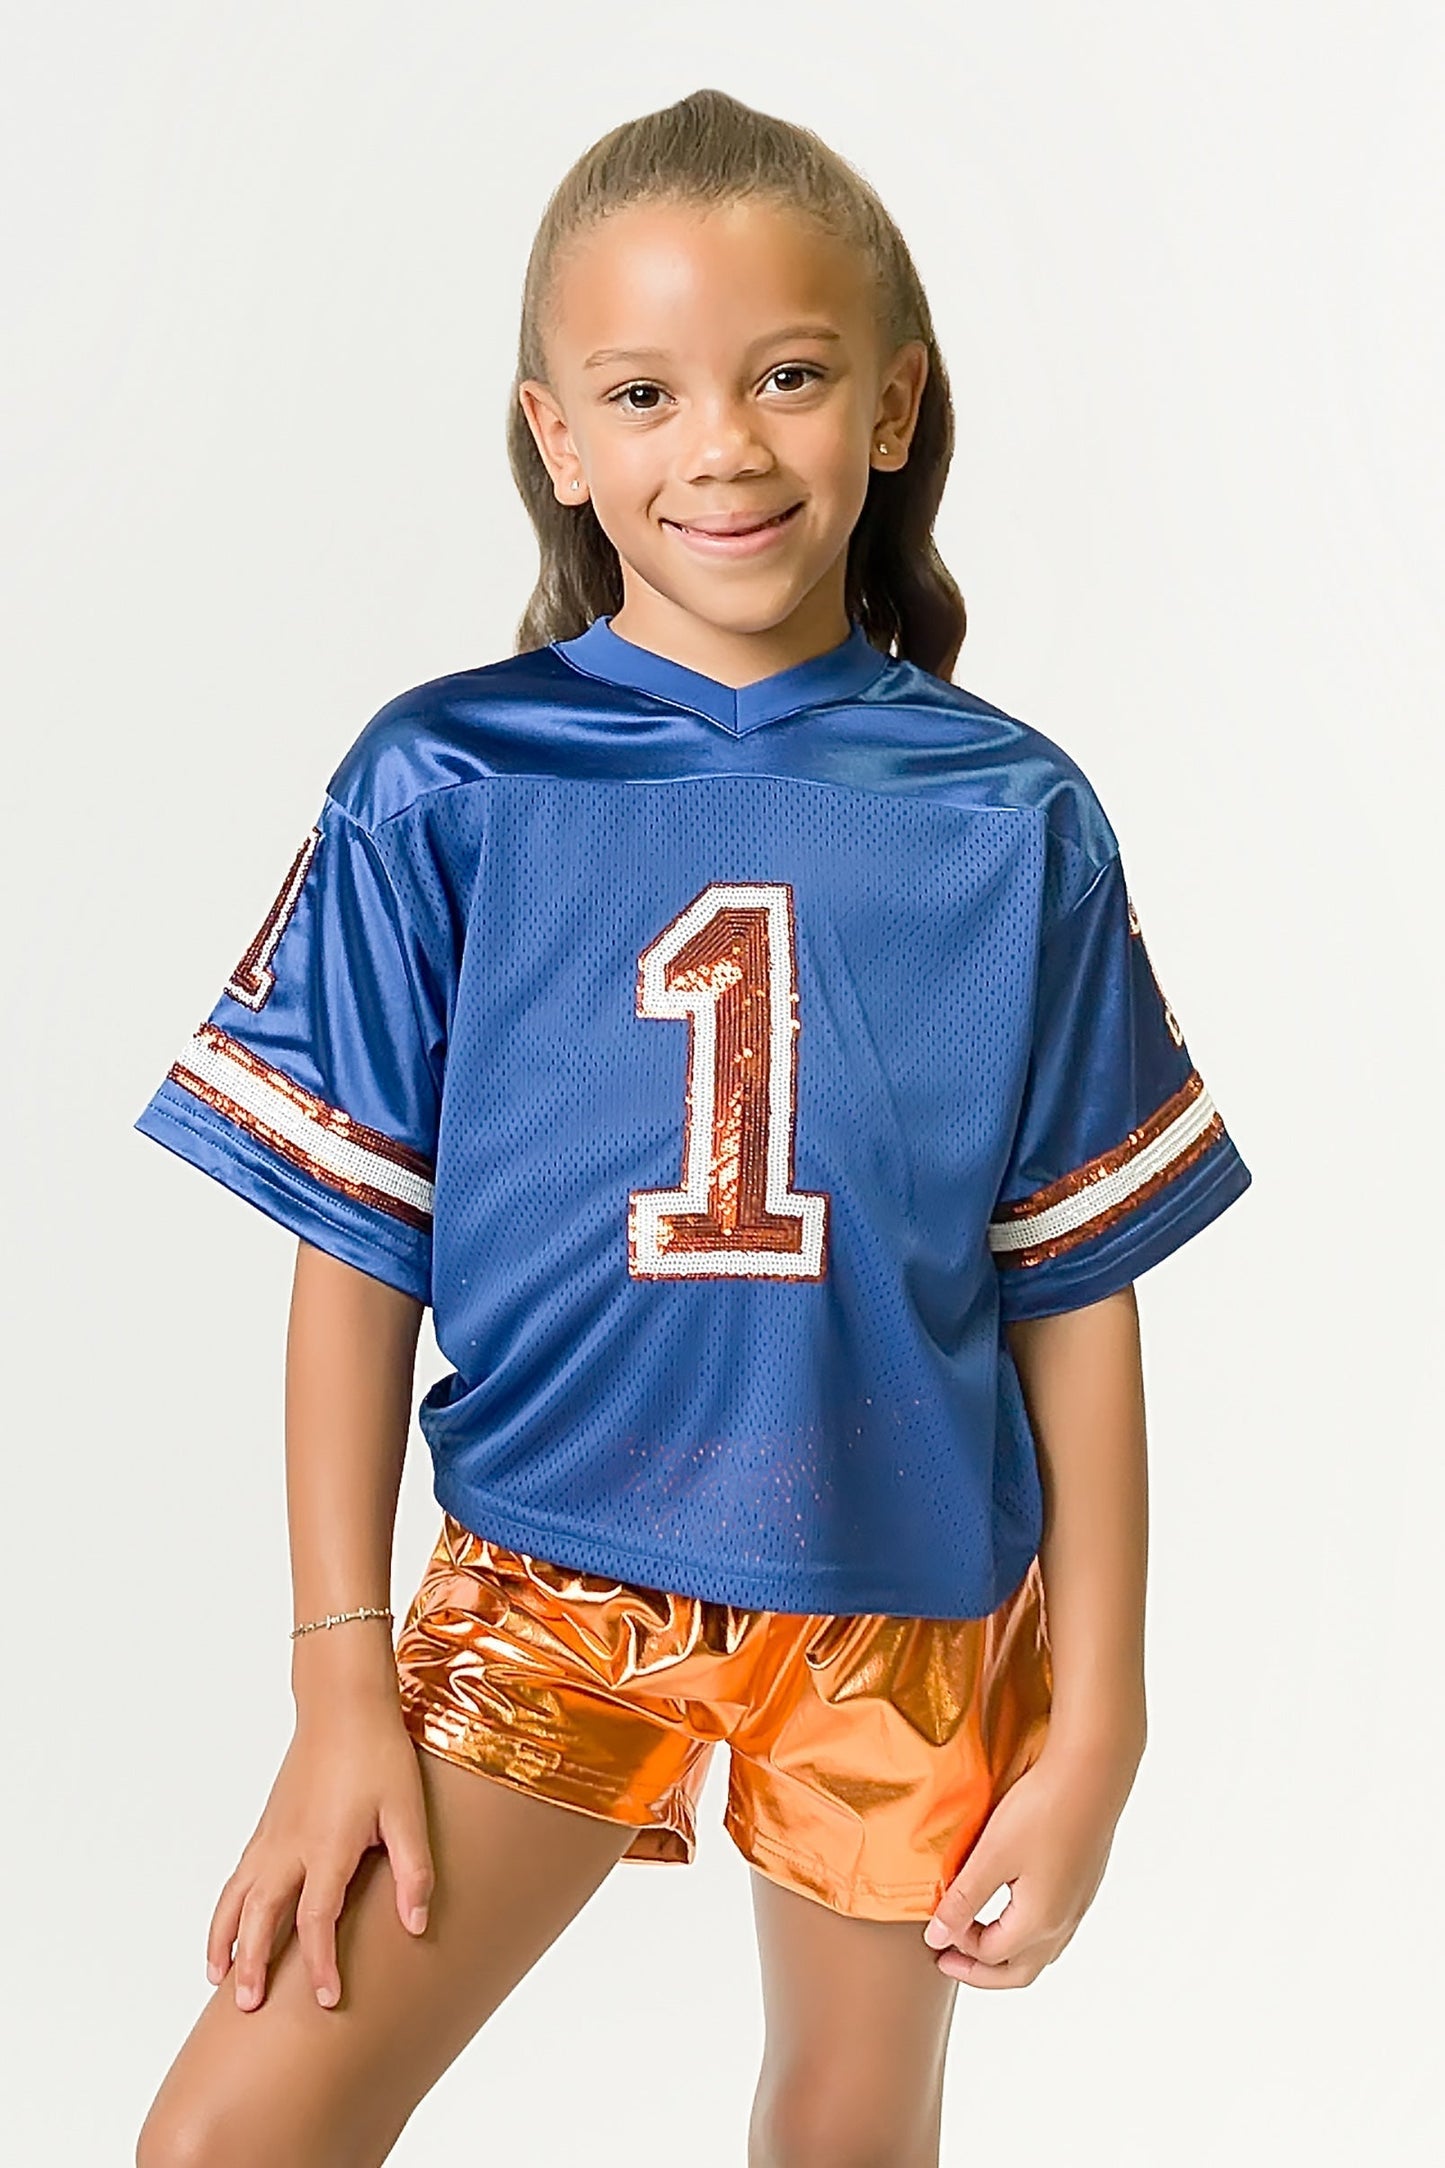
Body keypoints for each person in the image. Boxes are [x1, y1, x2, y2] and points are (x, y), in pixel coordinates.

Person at [133, 85, 1252, 2168]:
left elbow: (1074, 1290)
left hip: (907, 1604)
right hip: (554, 1580)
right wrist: (334, 1684)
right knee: (232, 2137)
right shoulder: (443, 782)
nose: (720, 444)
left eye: (790, 375)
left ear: (893, 407)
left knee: (848, 2138)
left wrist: (1098, 1718)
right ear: (557, 436)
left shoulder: (1012, 816)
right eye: (643, 390)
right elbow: (355, 1248)